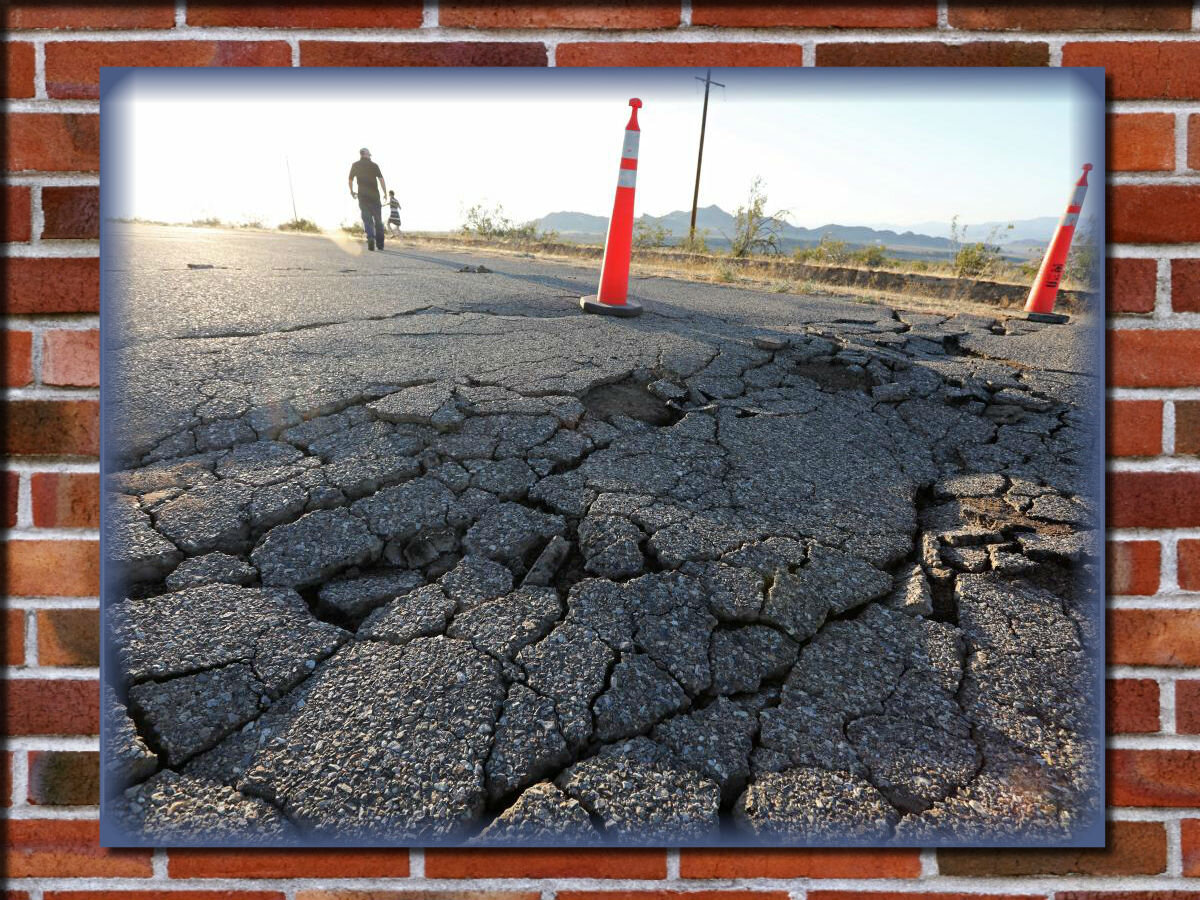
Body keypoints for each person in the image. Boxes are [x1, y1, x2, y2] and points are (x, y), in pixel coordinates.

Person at [348, 147, 387, 251]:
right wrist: (385, 193)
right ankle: (380, 244)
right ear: (365, 154)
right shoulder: (374, 165)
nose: (370, 156)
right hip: (374, 196)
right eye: (369, 154)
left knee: (367, 219)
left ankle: (370, 237)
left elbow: (350, 179)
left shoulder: (355, 165)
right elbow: (381, 180)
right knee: (378, 221)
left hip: (362, 197)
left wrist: (351, 191)